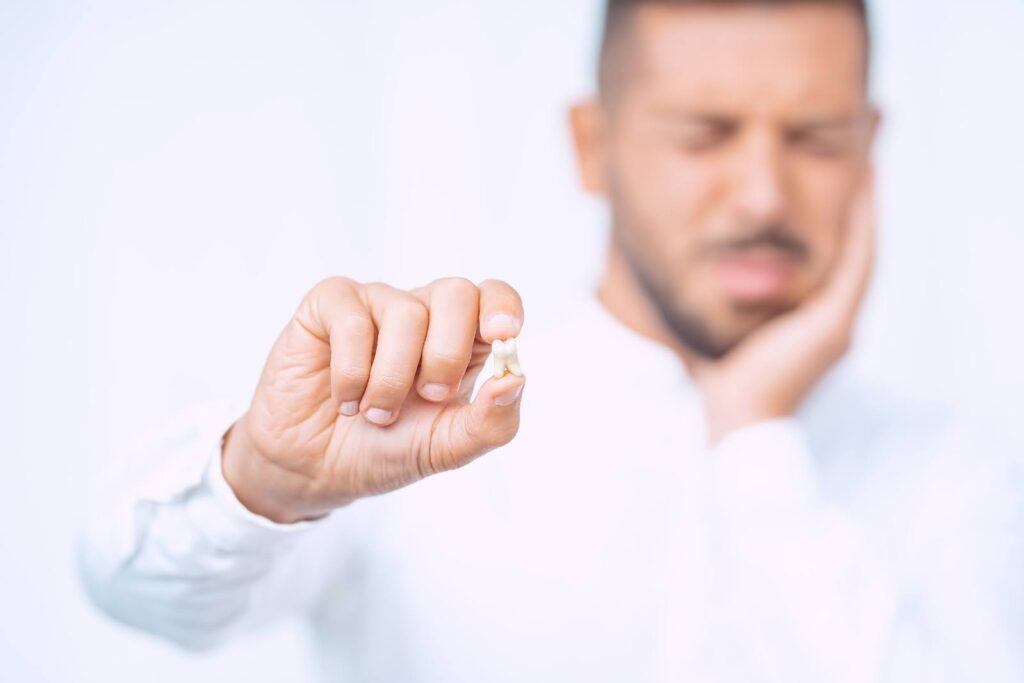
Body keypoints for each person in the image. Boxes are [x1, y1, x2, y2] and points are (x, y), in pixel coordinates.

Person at [78, 1, 1024, 680]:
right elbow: (135, 593)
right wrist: (266, 480)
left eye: (816, 137)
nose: (764, 196)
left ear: (869, 148)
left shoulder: (951, 468)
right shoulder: (411, 425)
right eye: (704, 134)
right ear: (591, 144)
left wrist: (753, 437)